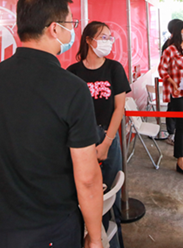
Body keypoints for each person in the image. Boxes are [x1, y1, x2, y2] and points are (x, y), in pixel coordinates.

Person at [0, 0, 103, 248]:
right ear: (54, 29)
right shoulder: (71, 88)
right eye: (70, 24)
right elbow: (87, 178)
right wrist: (96, 237)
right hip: (49, 230)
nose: (72, 31)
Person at [67, 21, 130, 248]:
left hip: (107, 137)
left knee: (110, 197)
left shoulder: (114, 69)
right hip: (80, 142)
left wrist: (106, 143)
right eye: (103, 37)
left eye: (110, 37)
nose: (108, 41)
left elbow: (119, 108)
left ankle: (112, 241)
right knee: (83, 195)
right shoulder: (73, 72)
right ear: (88, 40)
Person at [158, 19, 183, 176]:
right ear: (177, 32)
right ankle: (179, 160)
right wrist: (173, 83)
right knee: (181, 125)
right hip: (177, 92)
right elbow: (162, 70)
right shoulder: (170, 50)